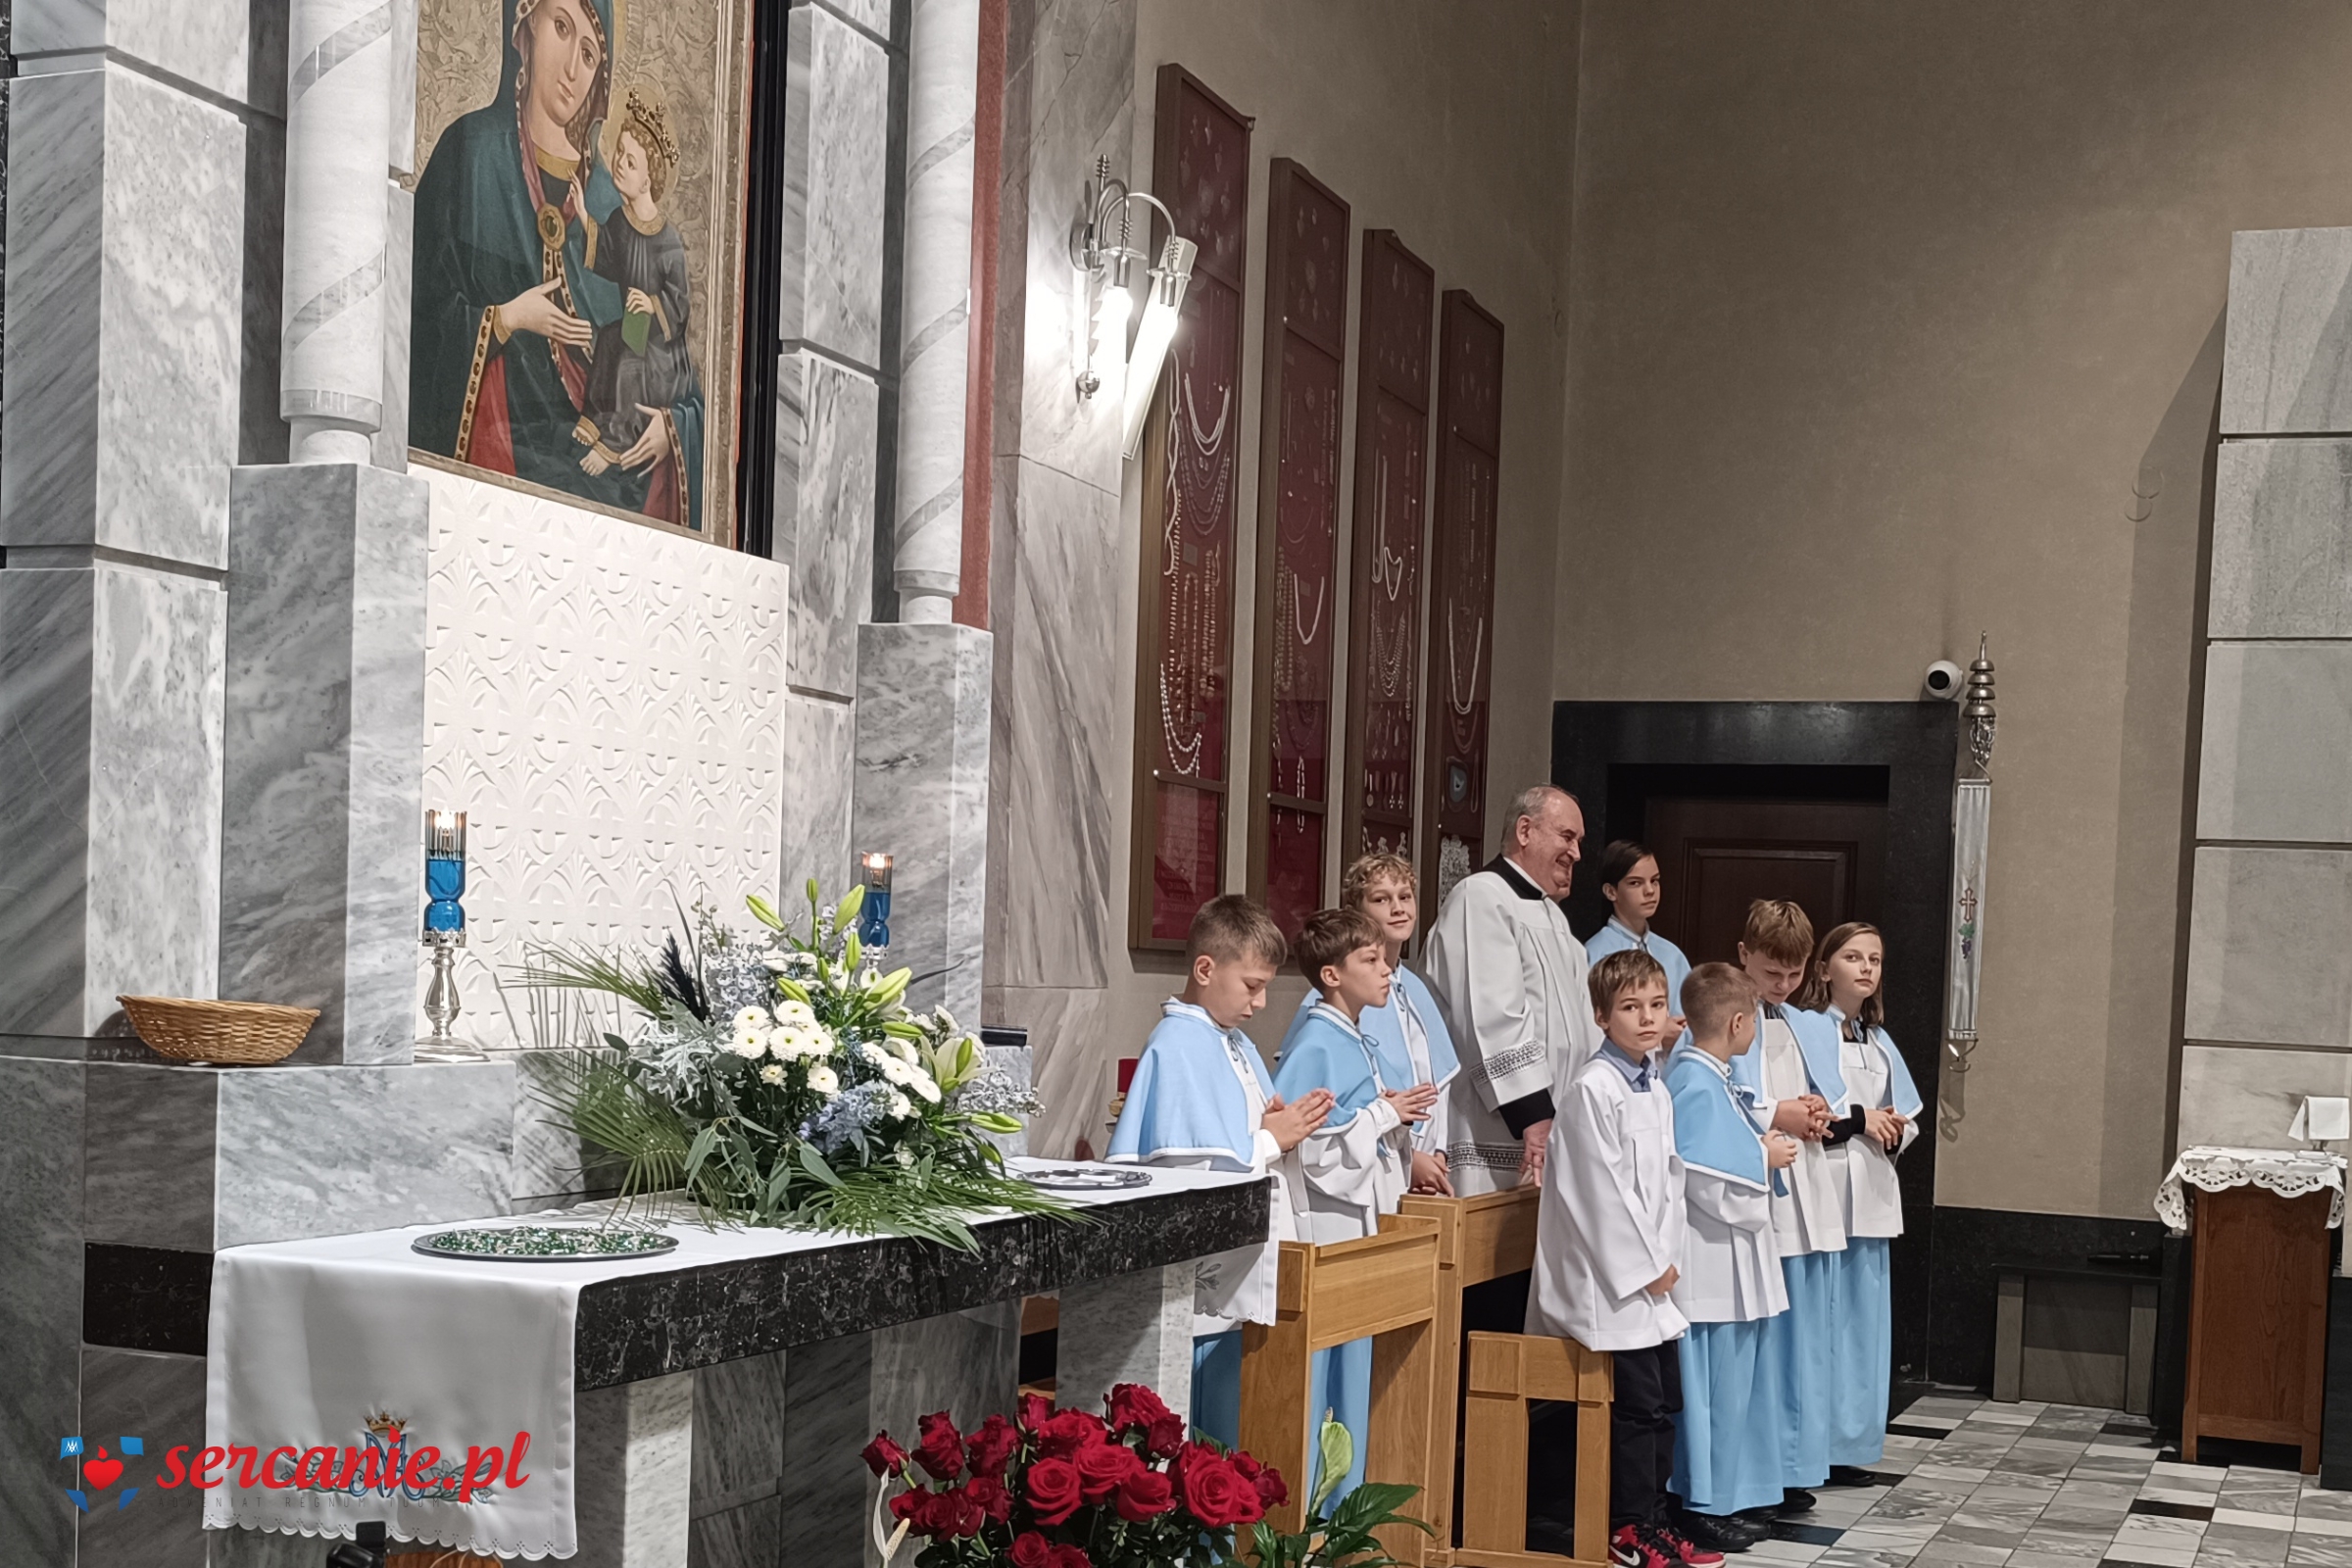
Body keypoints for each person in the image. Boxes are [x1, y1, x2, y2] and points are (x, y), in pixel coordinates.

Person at [411, 0, 707, 529]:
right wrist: (506, 320)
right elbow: (415, 321)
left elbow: (669, 365)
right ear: (525, 26)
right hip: (488, 487)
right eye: (562, 28)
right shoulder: (470, 155)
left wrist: (671, 428)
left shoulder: (612, 206)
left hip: (603, 490)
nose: (572, 68)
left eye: (589, 55)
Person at [1105, 895, 1333, 1447]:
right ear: (1205, 969)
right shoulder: (1179, 1045)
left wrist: (1277, 1124)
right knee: (1200, 1429)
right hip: (1202, 1297)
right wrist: (1270, 1138)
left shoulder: (1232, 1041)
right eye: (1252, 985)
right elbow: (1187, 1172)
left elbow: (1242, 1133)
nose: (1260, 1003)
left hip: (1240, 1280)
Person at [1527, 949, 1721, 1568]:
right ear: (1601, 1016)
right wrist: (1645, 1266)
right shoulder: (1593, 1088)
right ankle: (1627, 1529)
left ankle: (1657, 1520)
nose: (1647, 1018)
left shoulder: (1653, 1084)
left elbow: (1668, 1181)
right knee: (1636, 1409)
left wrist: (1667, 1257)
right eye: (1631, 1007)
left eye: (1656, 1005)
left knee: (1664, 1404)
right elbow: (1599, 1194)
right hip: (1606, 1284)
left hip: (1652, 1280)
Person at [1274, 906, 1439, 1497]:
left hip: (1362, 1224)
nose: (1386, 968)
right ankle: (1314, 1512)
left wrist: (1392, 1116)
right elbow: (1312, 1151)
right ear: (1332, 975)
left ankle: (1342, 1508)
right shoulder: (1317, 1041)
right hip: (1330, 1229)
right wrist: (1381, 1114)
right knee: (1323, 1376)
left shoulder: (1355, 1036)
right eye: (1370, 959)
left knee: (1353, 1368)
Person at [1665, 963, 1800, 1553]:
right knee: (1708, 1393)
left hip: (1730, 1260)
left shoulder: (1712, 1077)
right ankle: (1699, 1503)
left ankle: (1728, 1494)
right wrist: (1763, 1159)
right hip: (1708, 1262)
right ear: (1740, 1023)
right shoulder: (1694, 1082)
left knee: (1732, 1388)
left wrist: (1758, 1151)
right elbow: (1699, 1177)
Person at [1723, 901, 1842, 1515]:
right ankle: (1756, 1472)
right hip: (1759, 1191)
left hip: (1807, 1189)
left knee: (1803, 1344)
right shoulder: (1727, 1019)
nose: (1783, 985)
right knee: (1766, 1344)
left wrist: (1817, 1110)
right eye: (1772, 972)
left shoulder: (1800, 1022)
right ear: (1744, 954)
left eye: (1794, 974)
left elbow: (1820, 1091)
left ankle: (1793, 1465)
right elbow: (1721, 1094)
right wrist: (1779, 1113)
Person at [1422, 785, 1601, 1195]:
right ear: (1525, 831)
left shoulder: (1554, 917)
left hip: (1555, 1126)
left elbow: (1583, 1025)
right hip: (1501, 1128)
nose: (1576, 853)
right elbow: (1492, 1017)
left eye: (1579, 841)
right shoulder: (1481, 897)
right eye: (1567, 837)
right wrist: (1532, 1113)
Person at [1794, 922, 1923, 1486]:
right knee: (1823, 1322)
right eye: (1853, 957)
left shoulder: (1877, 1038)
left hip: (1870, 1193)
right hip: (1827, 1186)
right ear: (1824, 969)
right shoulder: (1806, 1027)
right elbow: (1815, 1113)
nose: (1867, 967)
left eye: (1875, 958)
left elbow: (1907, 1113)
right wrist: (1861, 1121)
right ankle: (1813, 1445)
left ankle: (1850, 1443)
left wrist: (1893, 1127)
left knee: (1861, 1327)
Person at [1277, 852, 1462, 1196]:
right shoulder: (1335, 1001)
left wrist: (1436, 1150)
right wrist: (1409, 1158)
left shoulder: (1413, 987)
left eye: (1405, 897)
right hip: (1369, 1170)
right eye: (1381, 899)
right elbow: (1323, 1111)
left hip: (1409, 1161)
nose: (1398, 908)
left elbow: (1435, 1080)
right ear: (1356, 912)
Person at [574, 89, 701, 505]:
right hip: (634, 329)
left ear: (647, 181)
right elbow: (608, 257)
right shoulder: (619, 220)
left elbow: (680, 306)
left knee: (630, 360)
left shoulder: (668, 241)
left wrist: (652, 305)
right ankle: (595, 419)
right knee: (610, 339)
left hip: (663, 349)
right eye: (619, 154)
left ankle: (614, 443)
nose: (619, 164)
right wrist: (583, 216)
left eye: (630, 162)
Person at [1584, 842, 1693, 1029]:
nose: (1650, 890)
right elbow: (1589, 1025)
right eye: (1635, 883)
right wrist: (1659, 1033)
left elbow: (1693, 1019)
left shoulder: (1672, 955)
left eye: (1655, 880)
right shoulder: (1594, 954)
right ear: (1611, 891)